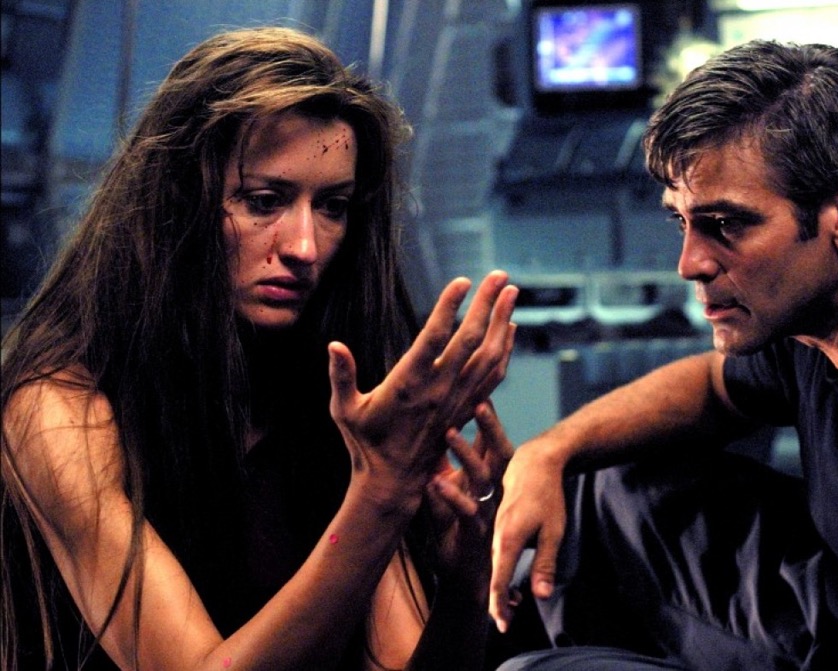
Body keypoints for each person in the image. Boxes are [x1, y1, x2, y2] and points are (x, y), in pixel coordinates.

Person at [489, 40, 838, 670]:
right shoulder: (813, 313)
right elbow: (714, 388)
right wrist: (548, 451)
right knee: (605, 487)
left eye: (727, 224)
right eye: (682, 222)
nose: (690, 263)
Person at [0, 26, 520, 671]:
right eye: (264, 201)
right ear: (178, 204)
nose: (304, 246)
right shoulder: (57, 409)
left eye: (332, 207)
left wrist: (469, 571)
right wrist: (381, 495)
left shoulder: (330, 399)